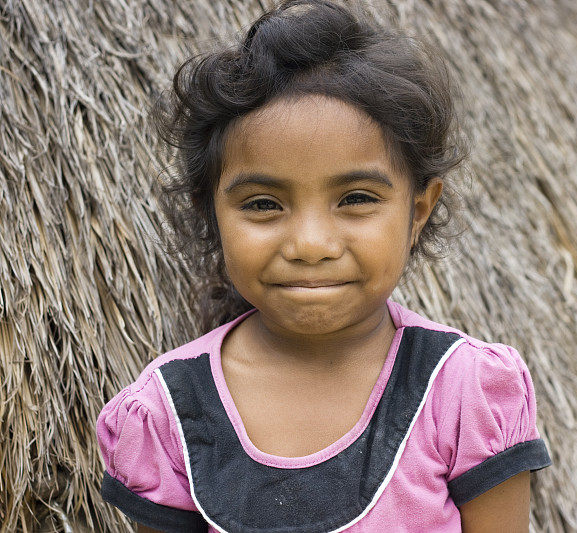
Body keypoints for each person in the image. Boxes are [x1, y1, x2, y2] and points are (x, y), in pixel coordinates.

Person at [94, 1, 552, 531]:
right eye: (264, 204)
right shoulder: (166, 413)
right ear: (213, 215)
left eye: (356, 198)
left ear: (417, 211)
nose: (311, 244)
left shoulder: (464, 392)